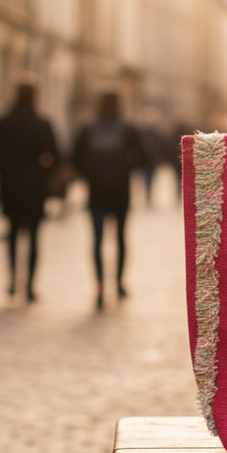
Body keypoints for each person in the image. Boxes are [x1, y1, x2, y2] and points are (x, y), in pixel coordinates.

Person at [0, 78, 60, 303]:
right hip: (35, 187)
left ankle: (11, 280)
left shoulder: (3, 121)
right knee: (34, 236)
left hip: (10, 185)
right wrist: (42, 171)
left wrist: (5, 168)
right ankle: (28, 286)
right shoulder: (42, 122)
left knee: (12, 233)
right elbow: (54, 155)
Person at [72, 90, 146, 310]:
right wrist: (124, 168)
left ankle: (100, 286)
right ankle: (119, 282)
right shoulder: (128, 128)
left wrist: (91, 174)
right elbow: (142, 157)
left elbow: (76, 158)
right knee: (121, 239)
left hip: (96, 192)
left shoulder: (88, 128)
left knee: (97, 241)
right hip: (120, 192)